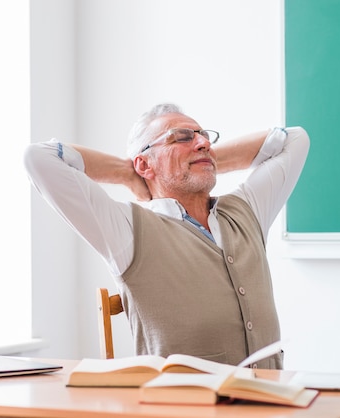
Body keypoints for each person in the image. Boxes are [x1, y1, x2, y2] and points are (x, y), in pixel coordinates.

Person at [24, 103, 309, 369]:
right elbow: (39, 158)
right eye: (181, 137)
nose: (204, 142)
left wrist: (201, 156)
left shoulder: (248, 208)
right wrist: (127, 174)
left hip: (274, 405)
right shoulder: (127, 228)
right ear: (145, 165)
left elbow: (294, 139)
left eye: (204, 137)